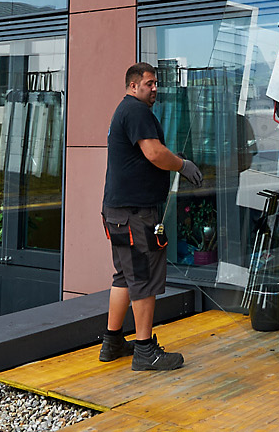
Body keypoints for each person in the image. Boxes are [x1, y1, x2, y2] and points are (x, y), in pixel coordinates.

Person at [102, 62, 202, 370]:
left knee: (125, 276)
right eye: (149, 83)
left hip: (118, 212)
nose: (154, 88)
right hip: (135, 214)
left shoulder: (126, 111)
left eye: (156, 83)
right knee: (143, 278)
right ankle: (145, 351)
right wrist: (182, 165)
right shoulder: (136, 111)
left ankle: (113, 341)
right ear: (133, 86)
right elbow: (154, 153)